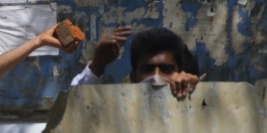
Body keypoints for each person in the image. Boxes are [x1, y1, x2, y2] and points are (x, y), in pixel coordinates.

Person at [70, 26, 201, 100]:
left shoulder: (188, 99)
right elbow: (74, 105)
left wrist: (193, 89)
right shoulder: (119, 111)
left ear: (179, 72)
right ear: (133, 78)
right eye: (147, 69)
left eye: (166, 69)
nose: (156, 76)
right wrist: (97, 66)